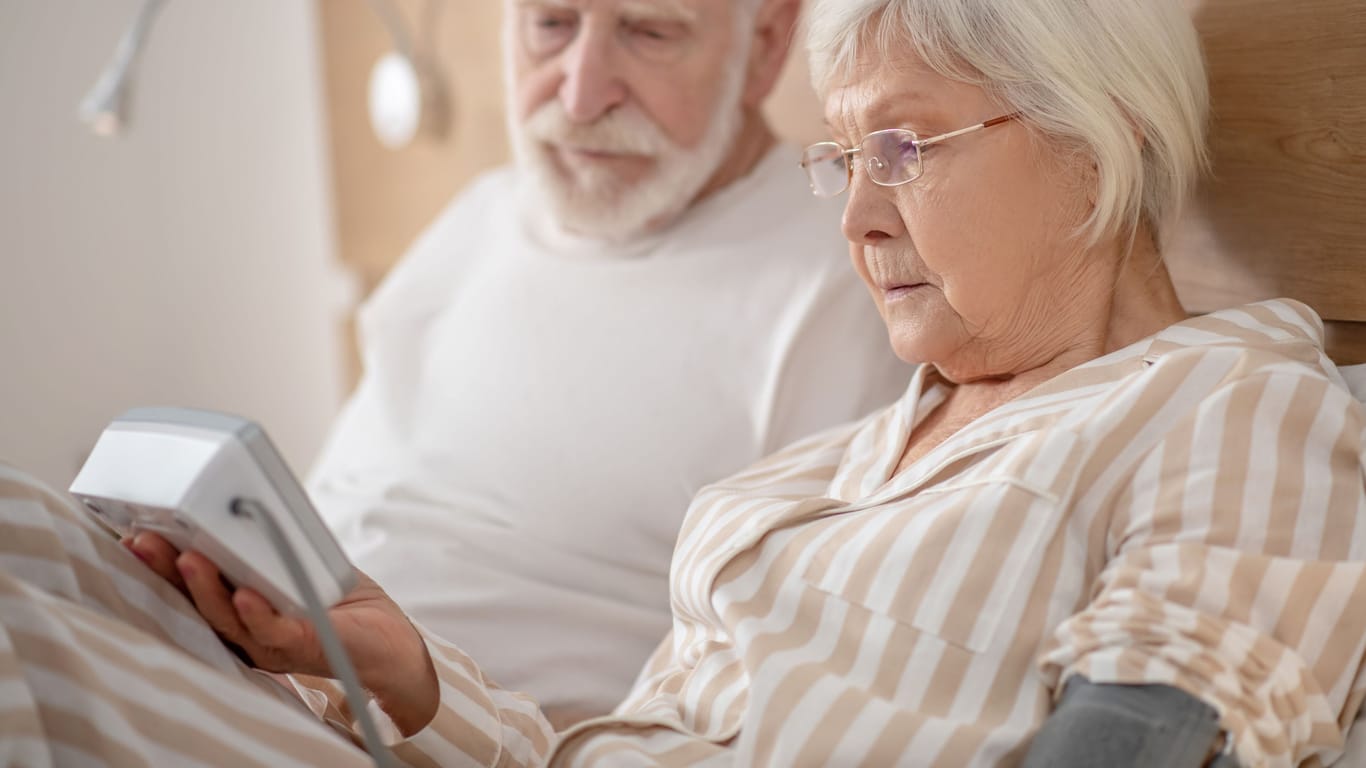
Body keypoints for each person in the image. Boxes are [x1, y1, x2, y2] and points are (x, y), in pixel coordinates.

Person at [3, 0, 1366, 765]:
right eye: (842, 163)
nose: (854, 222)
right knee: (22, 541)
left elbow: (1162, 722)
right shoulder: (824, 473)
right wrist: (409, 676)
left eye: (901, 147)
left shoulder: (1227, 401)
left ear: (1103, 138)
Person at [303, 0, 908, 726]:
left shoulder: (850, 278)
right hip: (266, 672)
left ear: (767, 43)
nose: (582, 94)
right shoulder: (482, 211)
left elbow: (797, 690)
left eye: (650, 31)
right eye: (551, 24)